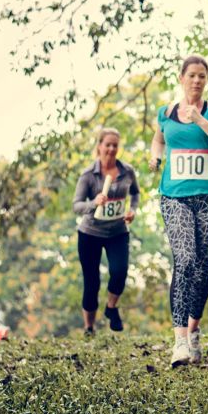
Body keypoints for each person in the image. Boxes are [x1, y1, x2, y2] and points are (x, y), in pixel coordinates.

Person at [150, 55, 208, 367]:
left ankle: (194, 330)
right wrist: (156, 157)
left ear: (206, 80)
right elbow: (158, 141)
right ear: (182, 77)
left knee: (201, 269)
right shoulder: (167, 112)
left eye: (202, 76)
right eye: (192, 75)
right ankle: (180, 341)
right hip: (174, 196)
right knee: (184, 260)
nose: (197, 80)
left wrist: (200, 120)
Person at [73, 127, 140, 335]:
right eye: (107, 144)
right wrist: (94, 202)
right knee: (91, 283)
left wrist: (132, 210)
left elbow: (136, 193)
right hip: (90, 233)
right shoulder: (88, 175)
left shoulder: (127, 171)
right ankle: (89, 327)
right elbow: (76, 205)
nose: (111, 149)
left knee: (119, 272)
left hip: (118, 232)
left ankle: (111, 308)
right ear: (99, 146)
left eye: (115, 145)